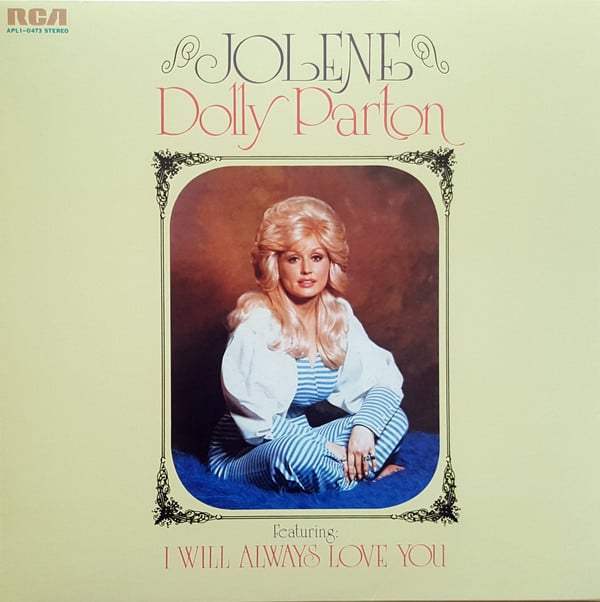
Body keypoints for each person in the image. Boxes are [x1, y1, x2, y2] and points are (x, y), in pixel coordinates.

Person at [208, 196, 409, 493]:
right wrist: (329, 450)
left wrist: (364, 429)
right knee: (297, 455)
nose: (306, 270)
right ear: (275, 264)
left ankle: (337, 474)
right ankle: (360, 477)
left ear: (330, 262)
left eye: (316, 257)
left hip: (307, 435)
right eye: (293, 259)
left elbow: (382, 380)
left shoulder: (338, 315)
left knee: (392, 418)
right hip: (250, 448)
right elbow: (259, 423)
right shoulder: (256, 325)